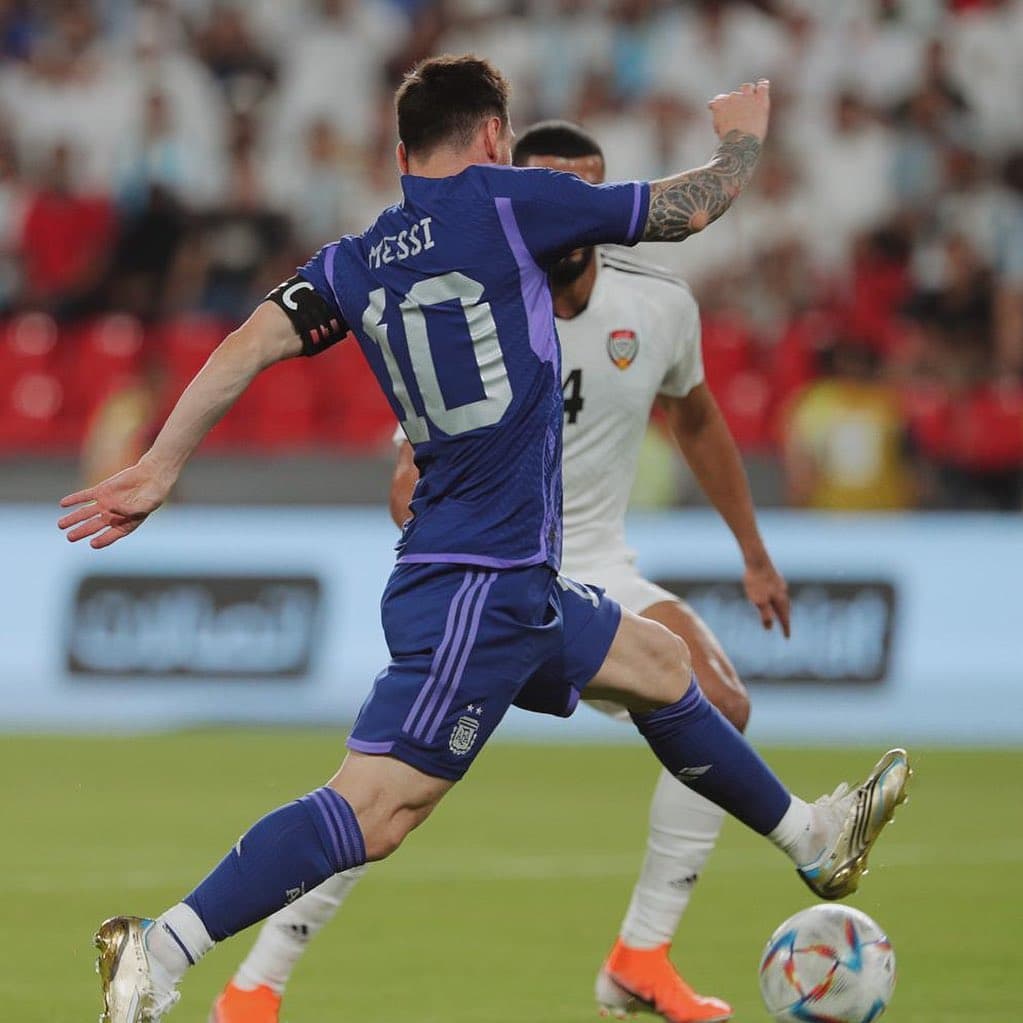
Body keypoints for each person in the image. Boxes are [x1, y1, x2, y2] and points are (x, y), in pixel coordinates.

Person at [57, 56, 909, 1023]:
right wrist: (742, 140)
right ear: (496, 136)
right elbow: (688, 210)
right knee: (376, 810)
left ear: (399, 154)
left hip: (506, 576)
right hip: (477, 581)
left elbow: (249, 341)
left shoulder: (354, 259)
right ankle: (163, 947)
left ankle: (814, 838)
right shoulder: (509, 203)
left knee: (661, 666)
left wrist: (160, 464)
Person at [211, 119, 791, 1023]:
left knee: (720, 700)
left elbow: (698, 418)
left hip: (597, 565)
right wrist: (448, 536)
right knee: (385, 798)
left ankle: (642, 953)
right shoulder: (470, 292)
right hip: (489, 573)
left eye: (582, 190)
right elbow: (406, 477)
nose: (565, 208)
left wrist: (753, 552)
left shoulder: (658, 305)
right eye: (549, 187)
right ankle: (258, 980)